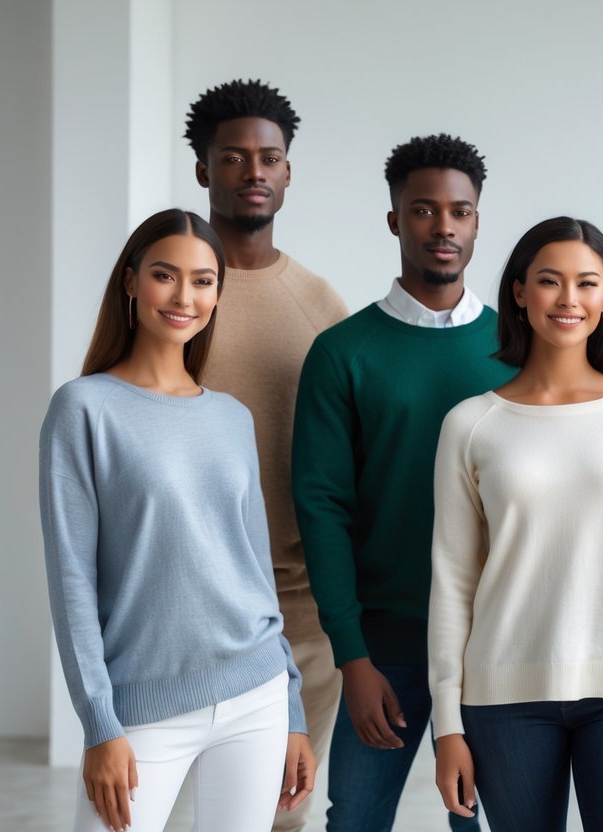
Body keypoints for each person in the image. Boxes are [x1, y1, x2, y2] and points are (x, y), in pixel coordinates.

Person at [39, 209, 313, 832]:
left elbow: (255, 570)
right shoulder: (83, 409)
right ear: (131, 282)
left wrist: (292, 706)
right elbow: (71, 582)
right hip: (141, 709)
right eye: (165, 275)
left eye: (203, 281)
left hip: (256, 693)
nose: (184, 297)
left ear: (217, 293)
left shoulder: (232, 417)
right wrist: (99, 725)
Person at [429, 217, 603, 832]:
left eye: (587, 283)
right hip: (503, 695)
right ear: (520, 292)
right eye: (549, 281)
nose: (569, 298)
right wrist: (447, 725)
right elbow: (454, 579)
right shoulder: (470, 424)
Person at [293, 134, 509, 830]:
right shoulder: (342, 353)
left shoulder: (520, 348)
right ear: (394, 220)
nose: (443, 226)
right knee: (355, 819)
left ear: (477, 221)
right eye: (423, 210)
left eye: (459, 211)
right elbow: (322, 507)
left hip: (497, 638)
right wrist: (352, 656)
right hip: (385, 643)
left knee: (488, 821)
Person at [184, 78, 347, 832]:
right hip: (184, 611)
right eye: (233, 157)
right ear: (203, 169)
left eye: (269, 158)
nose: (254, 171)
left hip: (301, 617)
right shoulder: (173, 297)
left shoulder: (321, 306)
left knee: (281, 816)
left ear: (287, 171)